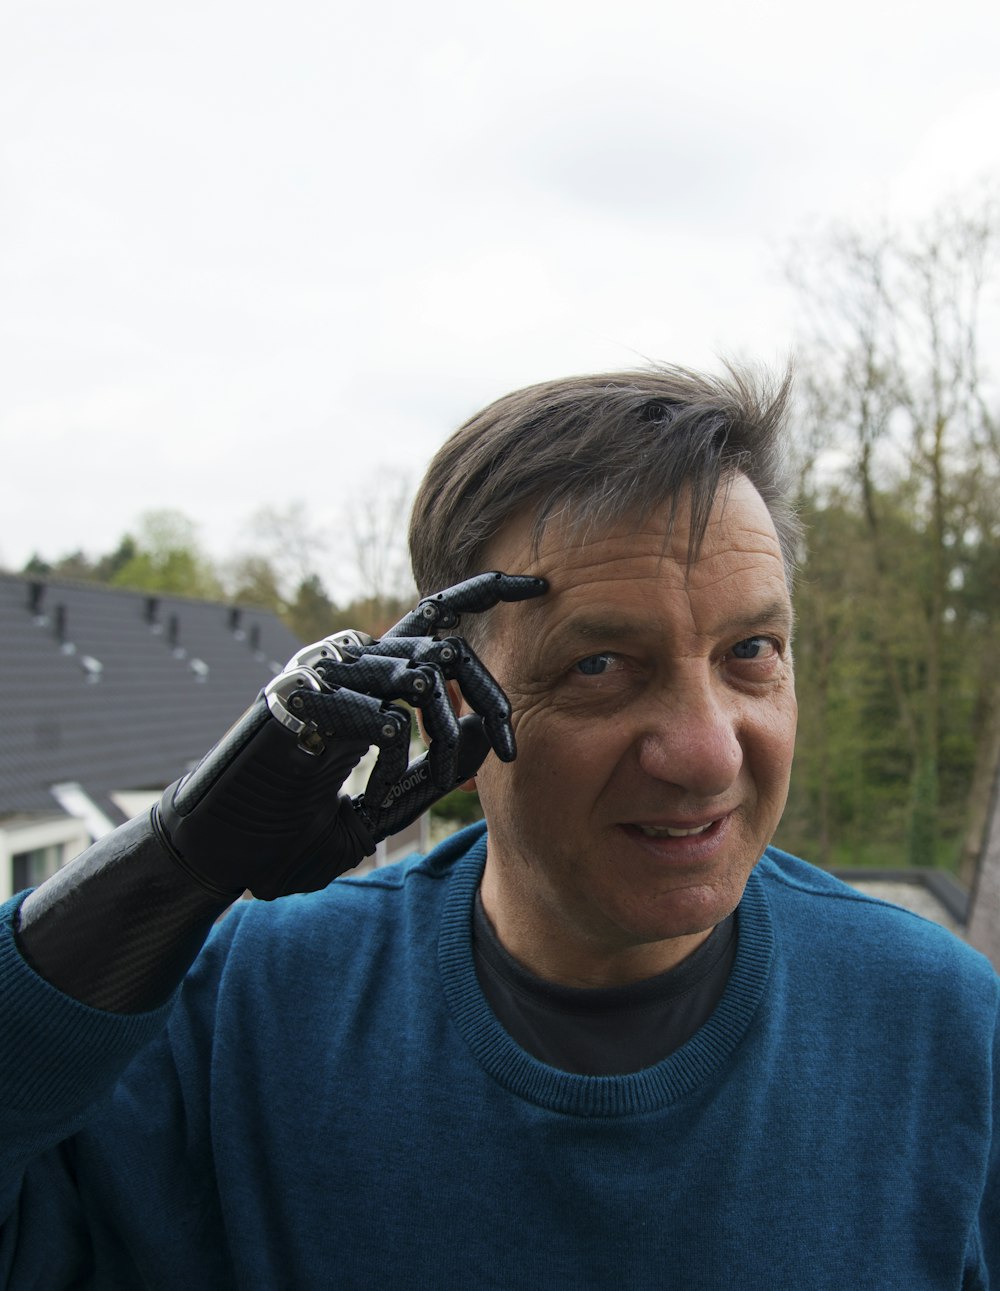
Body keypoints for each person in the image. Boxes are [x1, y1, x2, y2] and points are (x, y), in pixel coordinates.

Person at [1, 364, 996, 1290]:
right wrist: (171, 865)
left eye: (750, 649)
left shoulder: (944, 1033)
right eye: (599, 664)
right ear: (450, 697)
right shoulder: (229, 1022)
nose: (705, 753)